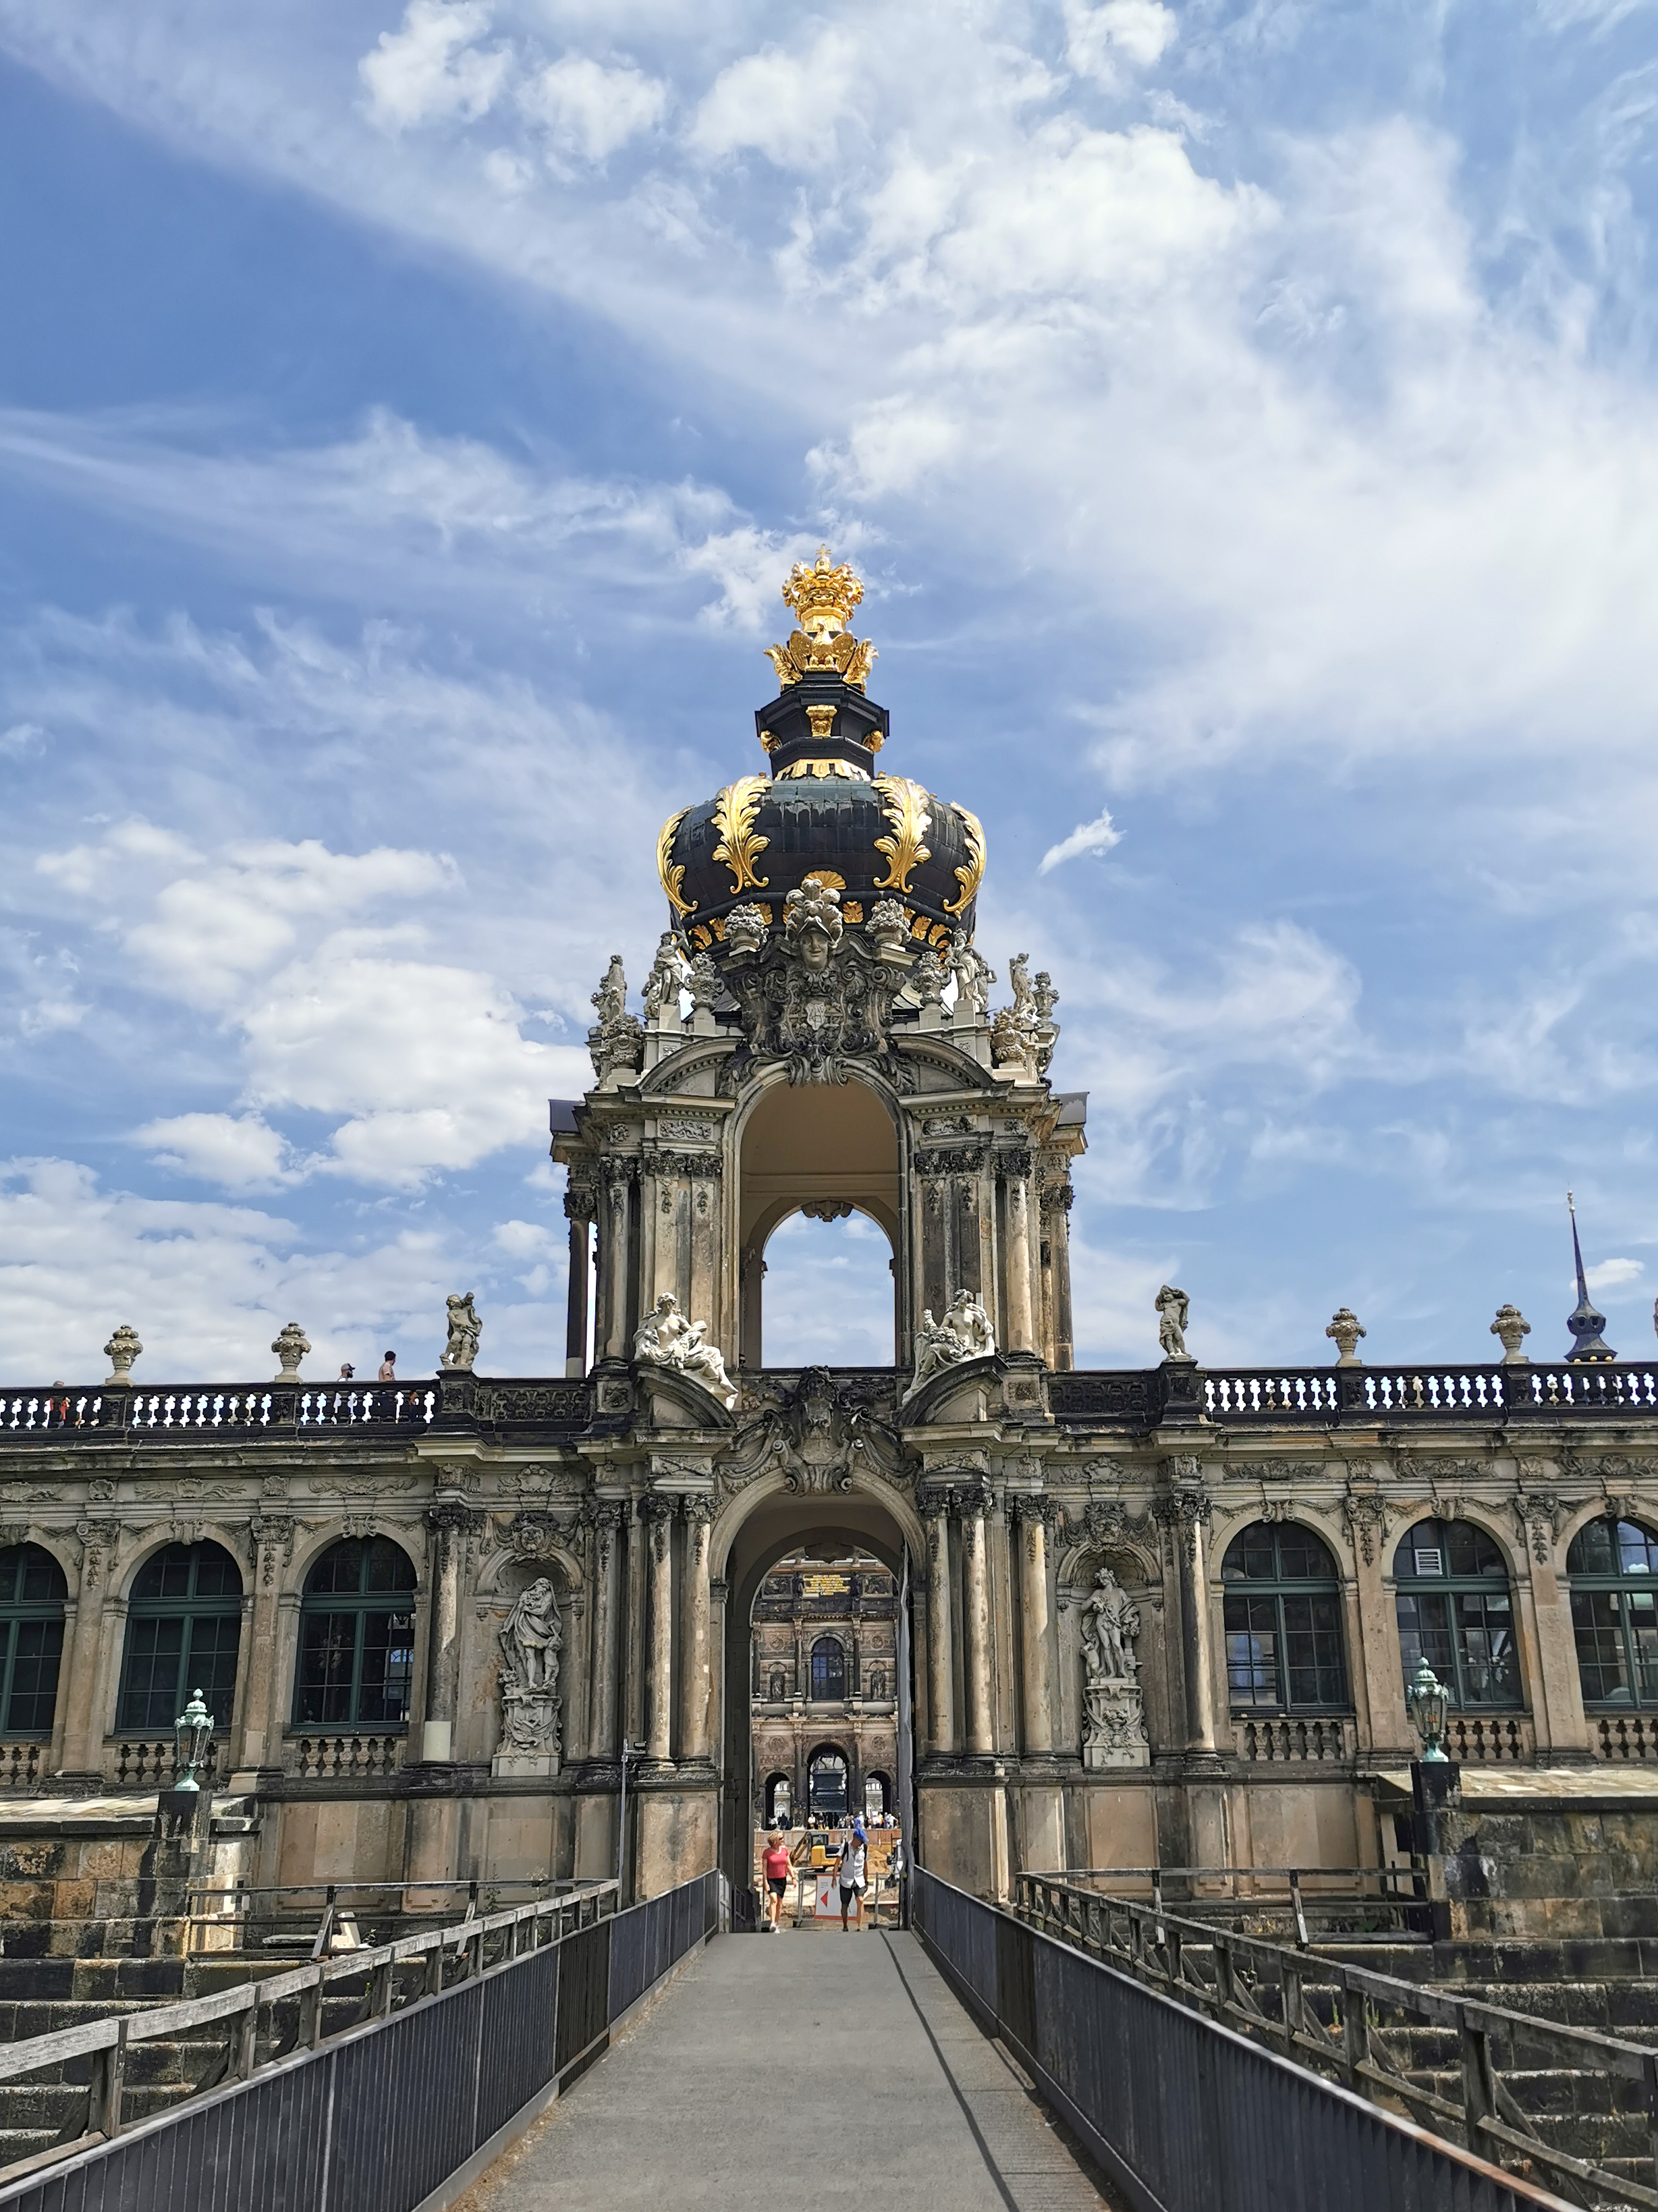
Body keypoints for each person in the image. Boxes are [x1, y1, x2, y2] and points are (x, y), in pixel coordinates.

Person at [836, 1817, 867, 1932]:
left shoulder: (864, 1848)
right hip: (846, 1879)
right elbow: (837, 1862)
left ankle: (859, 1926)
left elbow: (866, 1865)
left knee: (860, 1900)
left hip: (859, 1879)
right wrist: (835, 1878)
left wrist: (866, 1880)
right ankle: (845, 1925)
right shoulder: (845, 1847)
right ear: (855, 1839)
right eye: (861, 1841)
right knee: (845, 1904)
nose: (862, 1843)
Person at [761, 1829, 792, 1932]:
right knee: (773, 1899)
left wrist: (793, 1877)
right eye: (780, 1838)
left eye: (783, 1838)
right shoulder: (767, 1853)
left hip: (782, 1879)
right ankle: (772, 1923)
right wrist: (765, 1882)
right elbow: (764, 1868)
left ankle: (776, 1924)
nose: (783, 1840)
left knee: (779, 1903)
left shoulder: (784, 1851)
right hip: (771, 1879)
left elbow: (789, 1865)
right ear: (775, 1841)